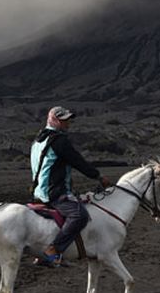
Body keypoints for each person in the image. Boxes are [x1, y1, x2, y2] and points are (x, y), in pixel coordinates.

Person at [30, 106, 111, 266]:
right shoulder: (59, 141)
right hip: (53, 193)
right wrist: (98, 177)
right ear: (54, 120)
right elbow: (78, 162)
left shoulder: (38, 140)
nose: (68, 123)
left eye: (68, 120)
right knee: (79, 216)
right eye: (63, 120)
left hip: (38, 193)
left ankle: (43, 253)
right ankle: (53, 251)